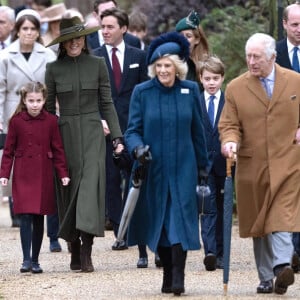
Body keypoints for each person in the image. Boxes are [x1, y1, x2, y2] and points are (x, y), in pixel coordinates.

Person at [124, 31, 209, 295]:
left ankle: (179, 277)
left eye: (167, 65)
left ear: (178, 67)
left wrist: (204, 166)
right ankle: (167, 273)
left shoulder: (190, 90)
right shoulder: (142, 92)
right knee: (158, 222)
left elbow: (198, 131)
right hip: (153, 168)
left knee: (180, 222)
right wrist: (137, 148)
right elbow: (132, 130)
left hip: (184, 167)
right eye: (158, 66)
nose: (163, 70)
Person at [219, 32, 300, 295]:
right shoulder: (235, 88)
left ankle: (281, 268)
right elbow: (229, 124)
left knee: (282, 217)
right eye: (248, 56)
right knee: (259, 224)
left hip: (288, 162)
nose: (251, 62)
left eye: (257, 57)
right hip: (252, 166)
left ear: (273, 57)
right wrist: (230, 141)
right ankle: (266, 277)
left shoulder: (296, 82)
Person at [45, 16, 123, 273]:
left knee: (90, 188)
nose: (75, 43)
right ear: (63, 44)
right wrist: (46, 143)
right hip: (64, 133)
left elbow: (107, 102)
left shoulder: (98, 64)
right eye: (69, 40)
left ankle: (87, 248)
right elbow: (47, 110)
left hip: (92, 132)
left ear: (85, 39)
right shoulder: (54, 69)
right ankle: (74, 245)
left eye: (78, 38)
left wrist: (117, 136)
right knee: (69, 191)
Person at [94, 7, 148, 266]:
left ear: (123, 29)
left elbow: (145, 92)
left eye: (110, 26)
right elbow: (91, 96)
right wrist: (100, 120)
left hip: (133, 129)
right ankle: (120, 231)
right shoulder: (94, 58)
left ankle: (133, 227)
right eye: (102, 26)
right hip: (105, 128)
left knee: (134, 179)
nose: (105, 31)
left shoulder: (139, 55)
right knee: (110, 182)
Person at [0, 8, 57, 244]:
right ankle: (20, 212)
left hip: (42, 115)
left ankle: (50, 232)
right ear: (17, 30)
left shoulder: (48, 56)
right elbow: (0, 90)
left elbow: (52, 90)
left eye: (33, 28)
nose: (29, 33)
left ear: (38, 31)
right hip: (14, 115)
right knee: (18, 168)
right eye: (24, 28)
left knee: (45, 168)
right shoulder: (5, 57)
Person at [0, 81, 70, 274]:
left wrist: (63, 173)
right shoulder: (15, 122)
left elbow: (58, 150)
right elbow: (8, 151)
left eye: (38, 100)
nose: (34, 104)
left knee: (39, 217)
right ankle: (25, 259)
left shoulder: (51, 121)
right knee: (24, 217)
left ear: (44, 100)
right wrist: (4, 174)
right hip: (23, 174)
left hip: (43, 173)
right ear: (24, 100)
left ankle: (36, 260)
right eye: (31, 100)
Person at [276, 2, 300, 273]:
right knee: (287, 195)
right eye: (294, 24)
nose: (299, 29)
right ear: (284, 24)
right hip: (281, 137)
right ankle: (290, 249)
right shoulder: (274, 53)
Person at [197, 54, 226, 271]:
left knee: (223, 209)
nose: (211, 83)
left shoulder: (229, 102)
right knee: (208, 208)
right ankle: (210, 252)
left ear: (222, 78)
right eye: (207, 79)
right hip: (203, 165)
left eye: (215, 78)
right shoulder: (195, 102)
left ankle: (222, 252)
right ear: (200, 79)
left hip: (224, 164)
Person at [0, 5, 17, 226]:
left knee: (11, 159)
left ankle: (17, 212)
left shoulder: (16, 50)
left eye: (2, 22)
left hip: (11, 112)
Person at [175, 10, 209, 89]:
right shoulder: (171, 62)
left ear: (197, 39)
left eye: (188, 36)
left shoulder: (207, 65)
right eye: (180, 36)